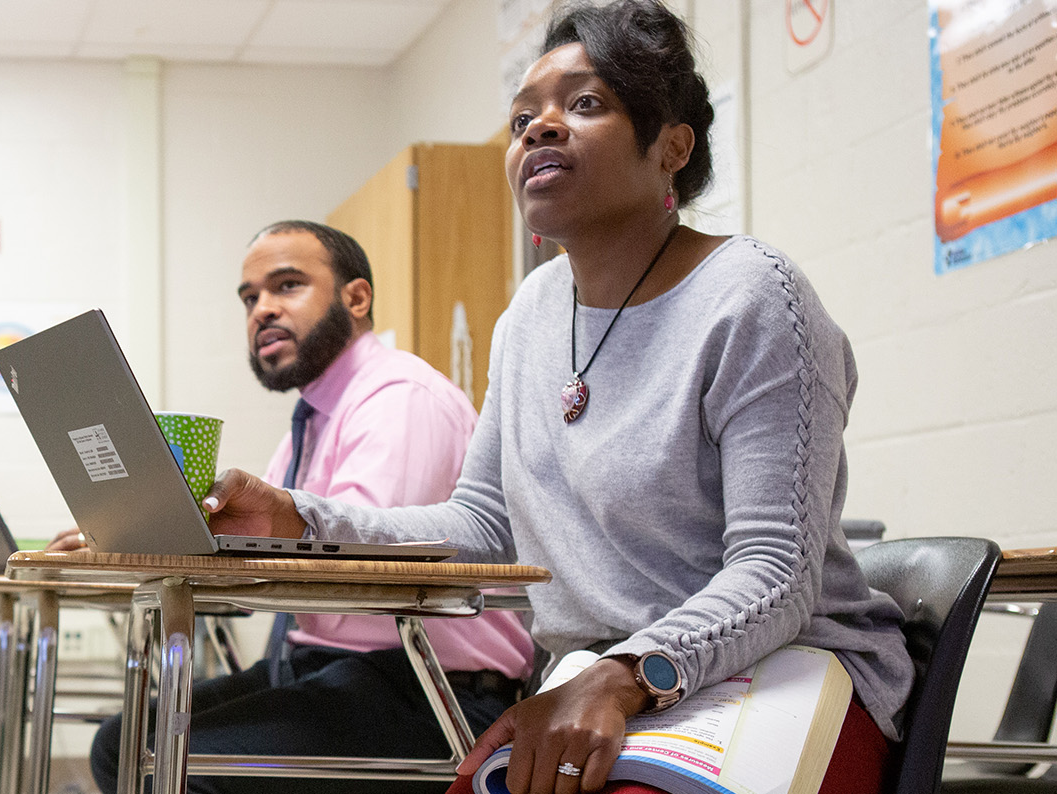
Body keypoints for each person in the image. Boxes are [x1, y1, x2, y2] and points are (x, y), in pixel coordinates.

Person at [193, 5, 910, 794]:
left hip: (778, 670)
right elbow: (480, 525)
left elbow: (773, 573)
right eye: (521, 118)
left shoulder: (751, 297)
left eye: (586, 104)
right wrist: (298, 520)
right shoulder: (530, 316)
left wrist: (621, 677)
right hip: (604, 682)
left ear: (672, 144)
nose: (539, 129)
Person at [52, 220, 535, 794]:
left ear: (356, 297)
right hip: (332, 669)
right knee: (122, 743)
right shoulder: (313, 418)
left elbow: (344, 560)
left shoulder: (399, 399)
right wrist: (134, 533)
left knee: (174, 765)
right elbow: (268, 537)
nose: (261, 310)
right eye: (250, 297)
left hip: (428, 689)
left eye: (286, 286)